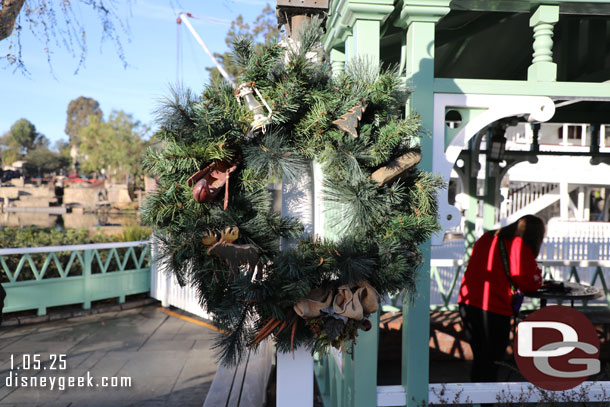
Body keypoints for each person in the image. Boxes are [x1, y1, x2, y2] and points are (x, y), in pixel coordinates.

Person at [458, 214, 545, 382]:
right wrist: (538, 275)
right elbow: (528, 282)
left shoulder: (487, 237)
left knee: (480, 357)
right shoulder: (517, 245)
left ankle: (477, 395)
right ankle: (487, 399)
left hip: (468, 304)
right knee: (493, 359)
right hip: (494, 307)